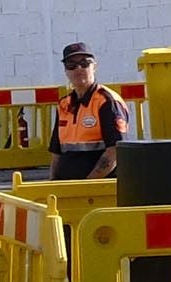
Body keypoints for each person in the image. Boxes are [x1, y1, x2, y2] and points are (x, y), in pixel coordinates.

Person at [45, 43, 127, 183]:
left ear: (94, 67)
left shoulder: (106, 101)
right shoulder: (64, 104)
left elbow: (115, 151)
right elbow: (57, 153)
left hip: (98, 187)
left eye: (84, 63)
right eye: (71, 65)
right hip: (67, 186)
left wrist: (87, 185)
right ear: (65, 71)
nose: (78, 69)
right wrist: (52, 182)